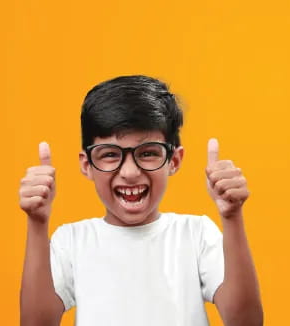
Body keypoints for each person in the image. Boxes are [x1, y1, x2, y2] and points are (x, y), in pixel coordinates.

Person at [19, 75, 263, 326]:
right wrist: (37, 223)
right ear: (87, 165)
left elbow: (246, 322)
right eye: (111, 155)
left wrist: (232, 217)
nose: (130, 172)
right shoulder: (72, 241)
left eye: (147, 153)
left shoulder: (195, 234)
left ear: (174, 160)